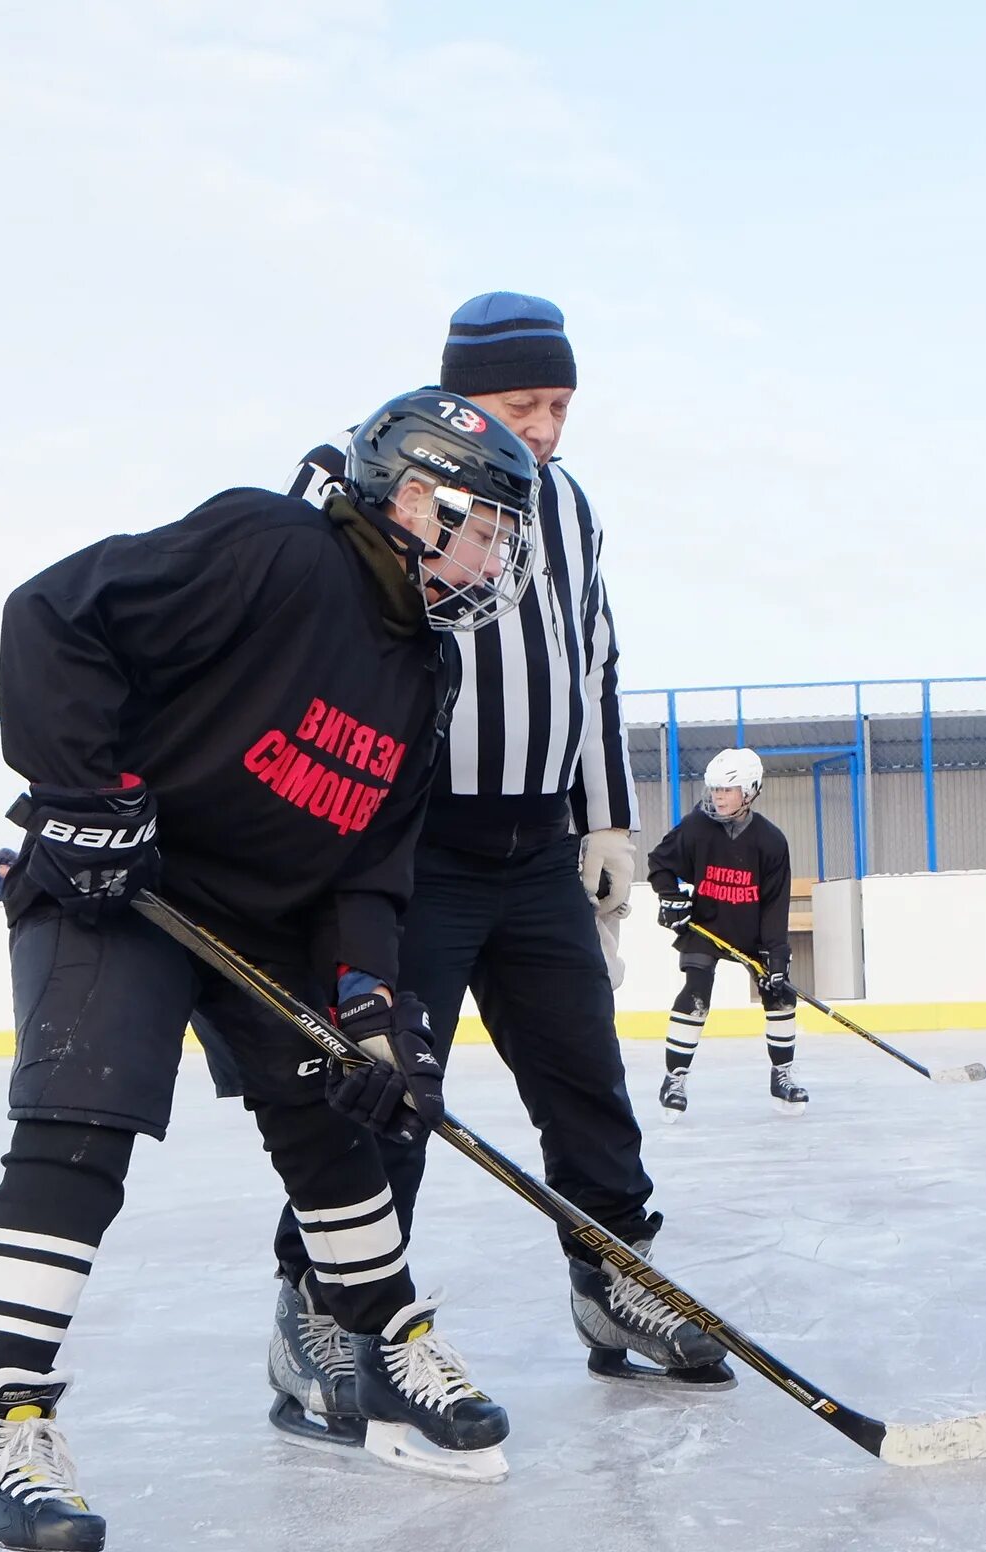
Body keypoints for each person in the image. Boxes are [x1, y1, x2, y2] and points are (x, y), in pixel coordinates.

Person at [0, 387, 542, 1552]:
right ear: (417, 498)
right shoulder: (271, 549)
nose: (495, 558)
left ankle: (379, 1347)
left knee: (346, 1108)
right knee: (84, 1116)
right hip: (125, 882)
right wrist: (89, 794)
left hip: (267, 917)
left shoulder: (422, 678)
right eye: (486, 529)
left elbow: (371, 862)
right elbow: (55, 616)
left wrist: (368, 998)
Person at [274, 292, 727, 1395]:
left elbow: (595, 658)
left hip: (536, 852)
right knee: (384, 1089)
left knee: (585, 1079)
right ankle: (326, 1313)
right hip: (412, 850)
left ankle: (612, 1273)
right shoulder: (389, 487)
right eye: (525, 402)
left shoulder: (570, 509)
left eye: (562, 403)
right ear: (460, 396)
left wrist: (607, 815)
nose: (548, 427)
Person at [648, 747, 803, 1115]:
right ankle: (675, 1079)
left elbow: (775, 904)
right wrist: (671, 899)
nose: (717, 797)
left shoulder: (770, 841)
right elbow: (659, 864)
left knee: (780, 996)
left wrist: (776, 955)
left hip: (752, 933)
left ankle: (782, 1074)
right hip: (706, 926)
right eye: (714, 789)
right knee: (696, 993)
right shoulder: (696, 826)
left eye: (727, 790)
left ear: (749, 791)